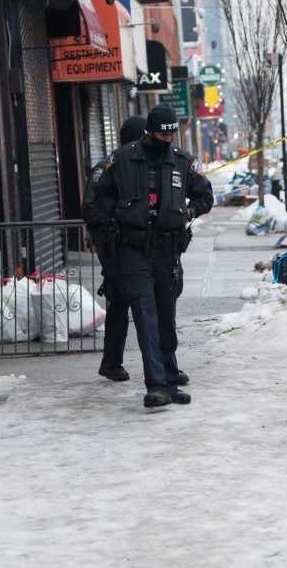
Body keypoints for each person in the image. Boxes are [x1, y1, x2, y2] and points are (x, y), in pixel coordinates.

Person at [91, 104, 214, 408]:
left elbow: (205, 194)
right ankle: (156, 385)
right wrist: (112, 226)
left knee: (165, 317)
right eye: (161, 133)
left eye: (171, 134)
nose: (166, 139)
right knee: (145, 316)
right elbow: (95, 199)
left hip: (167, 251)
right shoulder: (121, 160)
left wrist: (190, 210)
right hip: (132, 250)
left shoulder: (182, 162)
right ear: (149, 131)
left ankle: (170, 379)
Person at [84, 115, 147, 384]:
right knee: (122, 303)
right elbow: (91, 208)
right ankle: (112, 362)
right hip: (116, 247)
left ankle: (117, 363)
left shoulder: (142, 165)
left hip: (139, 245)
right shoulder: (108, 168)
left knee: (137, 305)